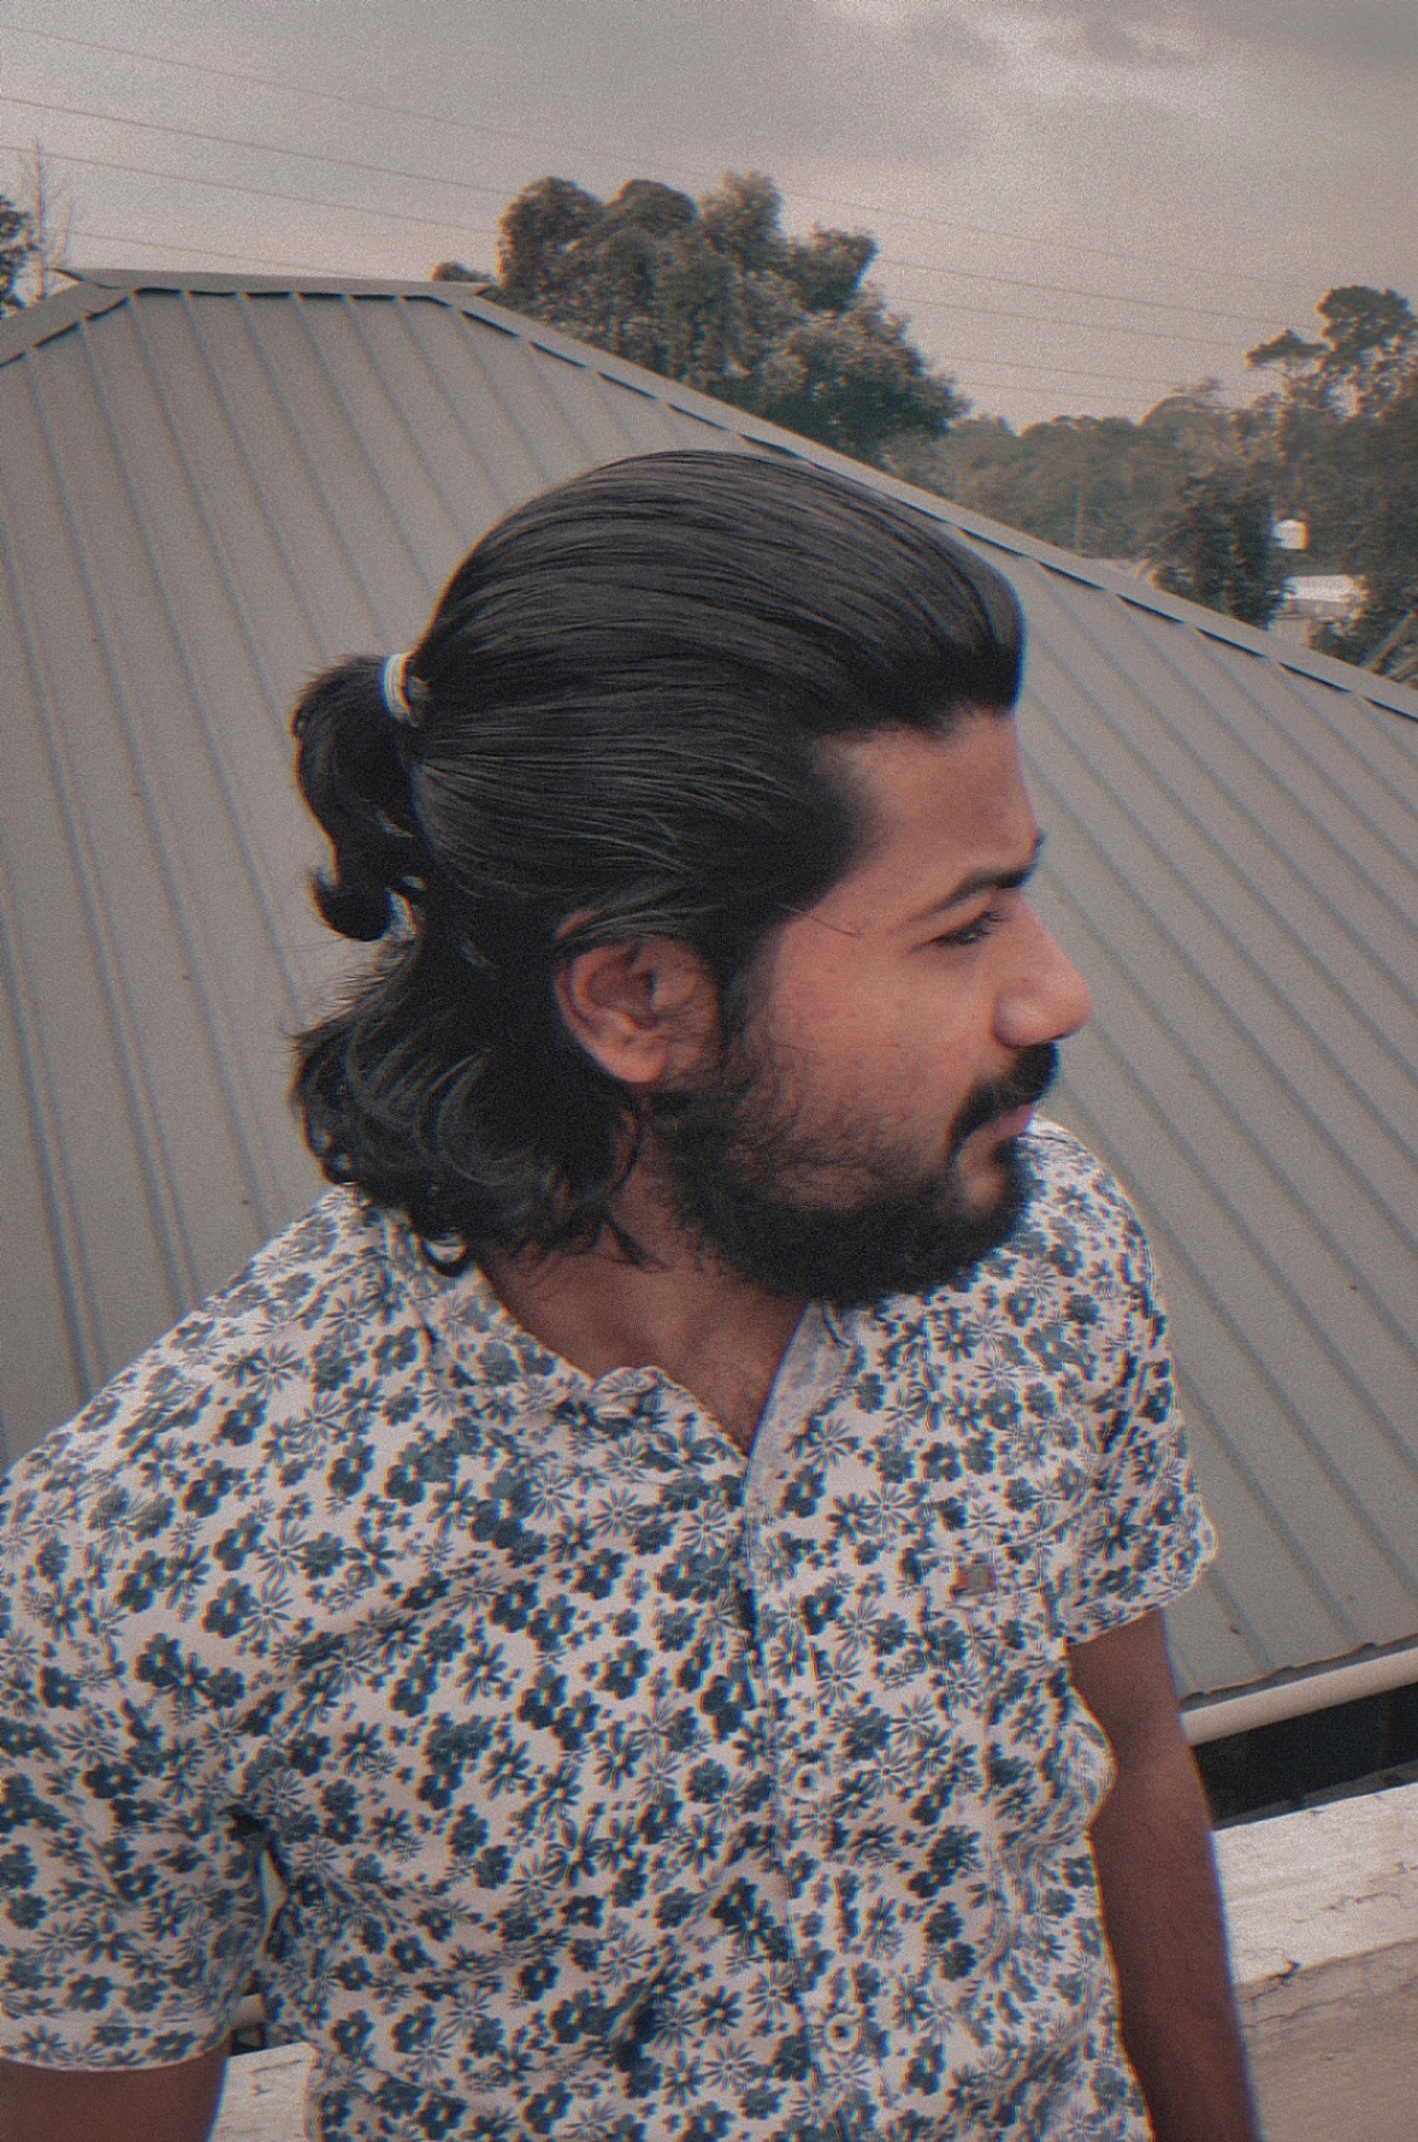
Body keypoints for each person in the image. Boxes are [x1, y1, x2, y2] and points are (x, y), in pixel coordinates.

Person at [0, 451, 1258, 2142]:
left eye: (1020, 887)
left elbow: (1139, 1762)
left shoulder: (1048, 1253)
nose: (1056, 990)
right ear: (640, 997)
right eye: (964, 927)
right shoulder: (149, 1557)